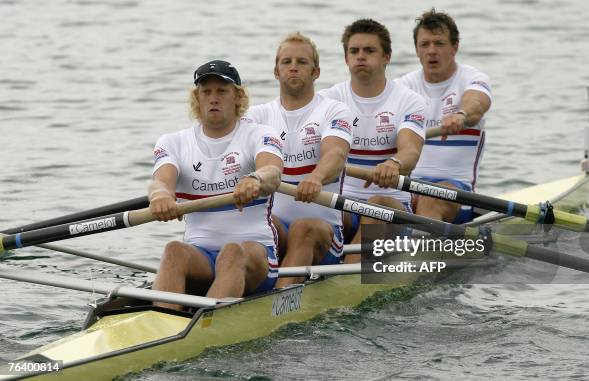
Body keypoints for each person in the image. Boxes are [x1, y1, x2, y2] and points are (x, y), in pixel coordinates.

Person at [149, 60, 284, 310]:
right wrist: (160, 197)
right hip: (202, 256)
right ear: (197, 99)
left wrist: (255, 179)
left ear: (238, 97)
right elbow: (160, 183)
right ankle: (161, 323)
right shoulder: (173, 142)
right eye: (206, 92)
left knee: (233, 251)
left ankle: (201, 327)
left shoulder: (260, 134)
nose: (213, 98)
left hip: (255, 254)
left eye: (222, 91)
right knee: (174, 250)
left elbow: (272, 172)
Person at [245, 32, 352, 287]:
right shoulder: (256, 116)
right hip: (276, 229)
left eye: (302, 62)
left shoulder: (334, 110)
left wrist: (315, 177)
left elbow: (335, 154)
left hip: (324, 233)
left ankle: (278, 302)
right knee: (252, 228)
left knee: (303, 227)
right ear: (276, 71)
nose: (293, 67)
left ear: (316, 72)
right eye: (286, 61)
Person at [319, 19, 426, 262]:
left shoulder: (408, 101)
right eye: (354, 51)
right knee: (308, 215)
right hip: (344, 206)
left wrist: (394, 164)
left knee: (377, 204)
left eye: (369, 51)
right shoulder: (329, 100)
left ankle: (345, 278)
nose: (360, 57)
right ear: (346, 59)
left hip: (392, 206)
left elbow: (410, 151)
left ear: (387, 57)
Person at [396, 9, 492, 223]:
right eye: (425, 44)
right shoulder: (404, 86)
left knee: (430, 199)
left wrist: (461, 114)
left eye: (439, 44)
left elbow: (477, 104)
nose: (431, 51)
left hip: (457, 192)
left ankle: (416, 254)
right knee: (376, 203)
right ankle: (357, 255)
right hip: (409, 188)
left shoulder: (472, 78)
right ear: (416, 50)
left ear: (454, 47)